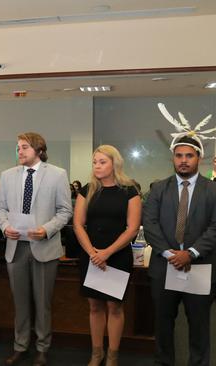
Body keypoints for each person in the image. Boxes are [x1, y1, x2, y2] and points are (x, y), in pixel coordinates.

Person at [144, 105, 216, 366]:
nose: (183, 160)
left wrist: (189, 253)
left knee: (199, 326)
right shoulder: (158, 188)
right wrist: (172, 255)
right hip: (164, 267)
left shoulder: (214, 191)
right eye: (179, 155)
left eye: (189, 156)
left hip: (199, 267)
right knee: (163, 326)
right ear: (173, 158)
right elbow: (150, 225)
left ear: (198, 158)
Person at [0, 132, 72, 366]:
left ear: (39, 150)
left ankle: (42, 347)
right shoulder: (7, 176)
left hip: (44, 246)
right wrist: (5, 226)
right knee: (20, 302)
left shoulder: (57, 175)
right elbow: (0, 208)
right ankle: (20, 346)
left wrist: (47, 229)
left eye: (25, 147)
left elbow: (65, 211)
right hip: (16, 247)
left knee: (43, 302)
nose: (20, 151)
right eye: (18, 147)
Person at [73, 145, 141, 366]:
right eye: (94, 162)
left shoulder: (130, 191)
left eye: (102, 161)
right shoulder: (87, 190)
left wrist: (107, 252)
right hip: (91, 255)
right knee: (94, 306)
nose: (97, 166)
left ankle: (112, 355)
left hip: (117, 255)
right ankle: (96, 353)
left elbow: (132, 228)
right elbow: (78, 225)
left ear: (114, 164)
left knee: (114, 306)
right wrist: (93, 253)